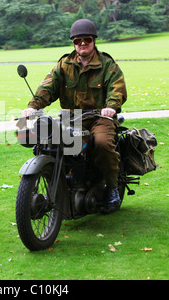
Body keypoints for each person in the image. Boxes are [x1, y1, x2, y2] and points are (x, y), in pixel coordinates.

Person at [22, 19, 127, 209]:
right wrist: (33, 105)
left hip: (99, 118)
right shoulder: (64, 64)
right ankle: (61, 179)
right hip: (70, 118)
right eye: (78, 41)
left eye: (86, 39)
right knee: (46, 141)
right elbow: (48, 86)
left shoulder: (107, 64)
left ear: (93, 41)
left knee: (102, 144)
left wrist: (111, 106)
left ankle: (112, 188)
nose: (83, 44)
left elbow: (117, 88)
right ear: (74, 43)